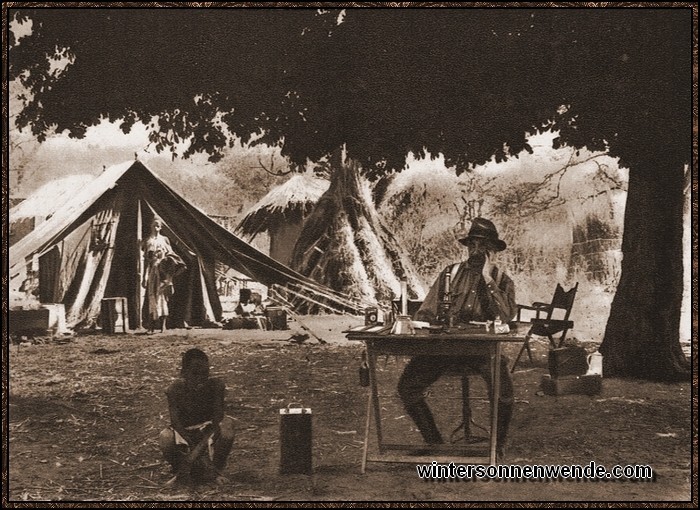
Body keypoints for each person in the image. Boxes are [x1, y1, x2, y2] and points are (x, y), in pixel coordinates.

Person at [398, 217, 517, 458]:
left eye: (483, 247)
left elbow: (505, 317)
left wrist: (487, 277)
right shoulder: (450, 273)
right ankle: (435, 443)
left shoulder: (502, 281)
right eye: (472, 245)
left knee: (503, 391)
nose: (476, 251)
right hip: (445, 349)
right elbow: (426, 311)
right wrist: (426, 325)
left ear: (493, 251)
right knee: (407, 387)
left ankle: (497, 446)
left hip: (482, 351)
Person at [159, 348, 235, 485]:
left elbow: (217, 420)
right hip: (185, 434)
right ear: (183, 373)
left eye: (205, 373)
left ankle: (215, 470)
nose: (200, 378)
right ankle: (181, 470)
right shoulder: (174, 389)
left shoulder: (216, 386)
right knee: (165, 437)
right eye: (194, 374)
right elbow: (176, 424)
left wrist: (195, 453)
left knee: (227, 427)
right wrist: (193, 450)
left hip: (209, 432)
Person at [142, 216, 184, 333]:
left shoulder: (164, 240)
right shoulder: (147, 241)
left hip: (163, 272)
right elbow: (146, 261)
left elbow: (171, 255)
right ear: (151, 226)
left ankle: (162, 326)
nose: (156, 228)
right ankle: (151, 326)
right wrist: (144, 277)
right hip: (152, 272)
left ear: (161, 228)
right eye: (154, 225)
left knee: (163, 297)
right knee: (152, 297)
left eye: (158, 226)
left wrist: (166, 262)